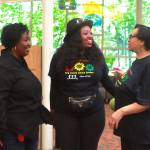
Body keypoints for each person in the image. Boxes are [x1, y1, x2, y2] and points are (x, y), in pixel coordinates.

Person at [48, 18, 115, 150]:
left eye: (90, 32)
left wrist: (124, 97)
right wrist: (53, 110)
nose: (90, 36)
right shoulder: (59, 56)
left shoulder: (97, 55)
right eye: (85, 33)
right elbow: (54, 86)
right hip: (65, 113)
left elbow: (106, 80)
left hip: (93, 112)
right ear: (74, 37)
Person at [0, 23, 52, 150]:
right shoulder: (5, 66)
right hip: (13, 133)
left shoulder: (19, 62)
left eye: (29, 39)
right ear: (14, 44)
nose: (29, 43)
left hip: (28, 128)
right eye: (25, 40)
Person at [108, 24, 150, 150]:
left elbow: (147, 102)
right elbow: (136, 83)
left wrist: (120, 112)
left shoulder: (148, 64)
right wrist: (124, 76)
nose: (128, 39)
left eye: (132, 36)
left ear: (142, 41)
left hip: (141, 134)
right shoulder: (138, 61)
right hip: (130, 129)